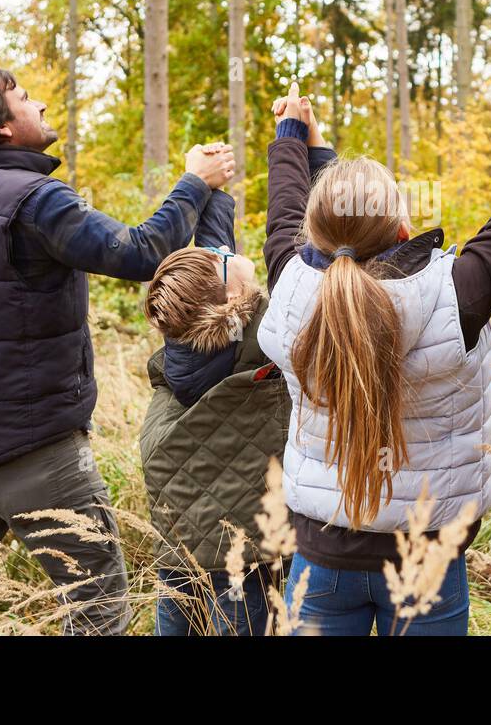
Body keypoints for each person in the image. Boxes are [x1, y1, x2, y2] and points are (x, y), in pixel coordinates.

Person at [257, 61, 491, 636]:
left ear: (313, 235)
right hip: (424, 557)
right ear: (402, 230)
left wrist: (294, 139)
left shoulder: (291, 288)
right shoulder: (455, 294)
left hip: (321, 557)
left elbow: (292, 217)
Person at [0, 69, 234, 635]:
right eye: (25, 99)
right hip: (35, 452)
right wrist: (194, 182)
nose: (42, 101)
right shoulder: (39, 202)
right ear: (4, 128)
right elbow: (139, 252)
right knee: (97, 603)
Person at [139, 137, 335, 635]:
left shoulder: (195, 341)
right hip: (240, 564)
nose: (224, 251)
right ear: (231, 300)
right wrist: (309, 155)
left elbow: (215, 257)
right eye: (222, 260)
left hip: (179, 553)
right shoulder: (260, 339)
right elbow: (307, 258)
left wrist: (211, 189)